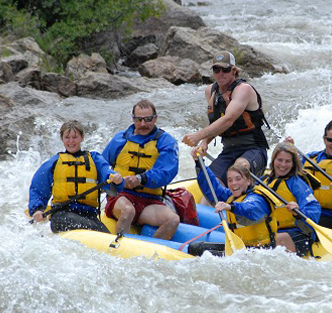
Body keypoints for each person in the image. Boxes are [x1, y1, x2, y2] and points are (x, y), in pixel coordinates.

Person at [182, 50, 269, 185]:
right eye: (217, 70)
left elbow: (228, 119)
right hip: (229, 150)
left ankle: (246, 199)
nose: (221, 73)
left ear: (234, 70)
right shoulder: (210, 91)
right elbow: (216, 123)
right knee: (211, 183)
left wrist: (198, 135)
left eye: (225, 69)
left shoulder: (243, 89)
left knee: (240, 169)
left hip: (253, 148)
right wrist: (204, 142)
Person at [102, 99, 180, 239]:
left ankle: (153, 253)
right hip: (121, 196)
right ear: (133, 119)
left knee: (172, 220)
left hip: (149, 200)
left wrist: (141, 179)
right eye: (139, 120)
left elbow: (166, 171)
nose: (143, 124)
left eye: (148, 119)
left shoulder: (165, 142)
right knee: (128, 211)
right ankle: (121, 248)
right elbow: (101, 166)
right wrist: (113, 177)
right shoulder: (120, 140)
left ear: (155, 118)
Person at [29, 120, 124, 233]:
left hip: (89, 215)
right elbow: (38, 188)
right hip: (61, 216)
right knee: (93, 230)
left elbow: (107, 174)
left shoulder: (94, 158)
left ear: (82, 137)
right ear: (62, 139)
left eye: (75, 137)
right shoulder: (54, 162)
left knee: (105, 235)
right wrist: (37, 210)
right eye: (67, 137)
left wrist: (117, 180)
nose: (71, 141)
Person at [192, 149, 278, 249]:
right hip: (242, 249)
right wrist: (199, 163)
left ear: (248, 181)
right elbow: (213, 188)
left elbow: (249, 209)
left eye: (238, 179)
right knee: (196, 248)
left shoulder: (258, 198)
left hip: (263, 250)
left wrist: (231, 207)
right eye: (230, 180)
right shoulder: (231, 196)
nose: (234, 184)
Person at [261, 143, 321, 256]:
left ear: (293, 164)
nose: (283, 165)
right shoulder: (264, 181)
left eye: (287, 161)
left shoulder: (298, 184)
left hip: (298, 233)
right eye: (280, 160)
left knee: (279, 239)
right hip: (271, 231)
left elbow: (314, 210)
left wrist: (299, 212)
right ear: (273, 160)